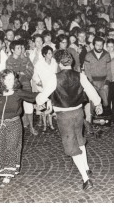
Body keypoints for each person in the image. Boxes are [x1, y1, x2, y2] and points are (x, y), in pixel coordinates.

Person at [35, 49, 103, 191]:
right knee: (80, 139)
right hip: (78, 113)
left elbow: (41, 97)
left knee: (72, 146)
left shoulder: (55, 78)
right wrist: (98, 104)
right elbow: (92, 92)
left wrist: (40, 100)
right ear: (71, 62)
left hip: (64, 117)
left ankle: (86, 179)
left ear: (59, 63)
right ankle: (87, 168)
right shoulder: (80, 75)